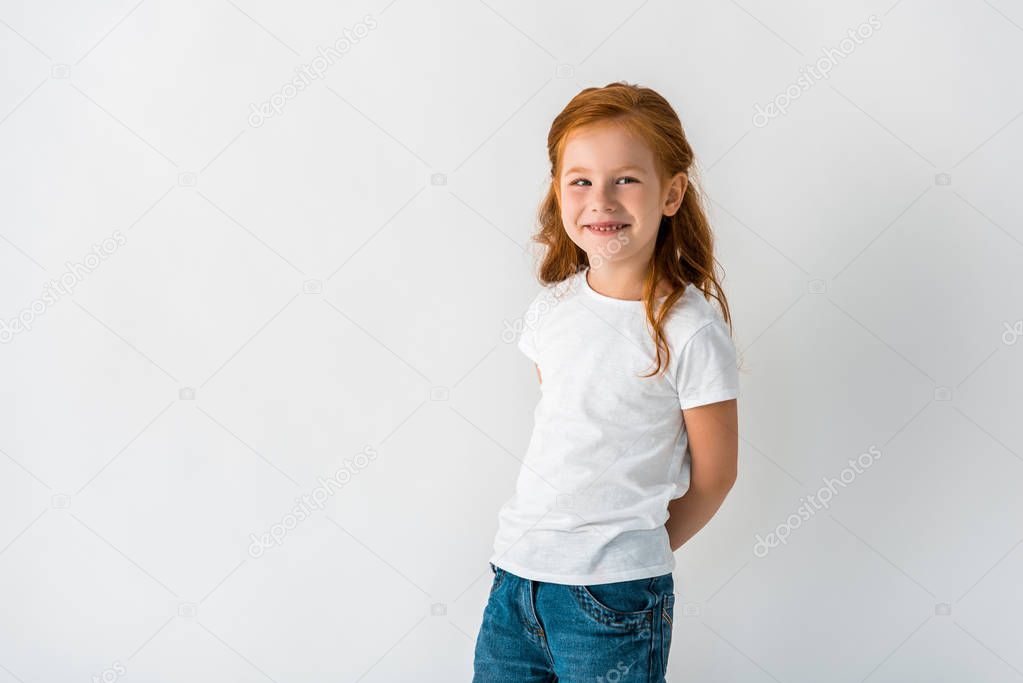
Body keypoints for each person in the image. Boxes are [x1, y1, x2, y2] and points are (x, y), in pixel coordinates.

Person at [473, 81, 741, 682]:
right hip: (516, 580)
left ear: (671, 194)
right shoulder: (552, 309)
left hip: (612, 598)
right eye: (581, 180)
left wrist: (631, 550)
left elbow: (717, 475)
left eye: (626, 179)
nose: (602, 199)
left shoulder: (689, 329)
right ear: (559, 192)